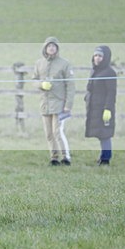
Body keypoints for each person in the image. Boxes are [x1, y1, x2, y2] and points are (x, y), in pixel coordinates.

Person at [33, 36, 75, 165]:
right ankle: (54, 157)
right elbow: (34, 80)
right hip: (45, 104)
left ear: (57, 48)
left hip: (59, 103)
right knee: (49, 133)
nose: (51, 48)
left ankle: (65, 157)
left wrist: (68, 105)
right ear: (45, 48)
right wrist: (41, 85)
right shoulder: (39, 63)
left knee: (58, 132)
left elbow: (70, 85)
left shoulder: (64, 64)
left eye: (54, 46)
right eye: (49, 46)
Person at [84, 45, 117, 165]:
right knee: (100, 133)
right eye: (96, 55)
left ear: (106, 57)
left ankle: (106, 159)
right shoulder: (94, 71)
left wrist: (107, 109)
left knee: (105, 134)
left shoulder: (110, 72)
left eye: (100, 56)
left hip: (103, 108)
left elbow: (111, 92)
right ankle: (103, 155)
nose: (97, 58)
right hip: (94, 108)